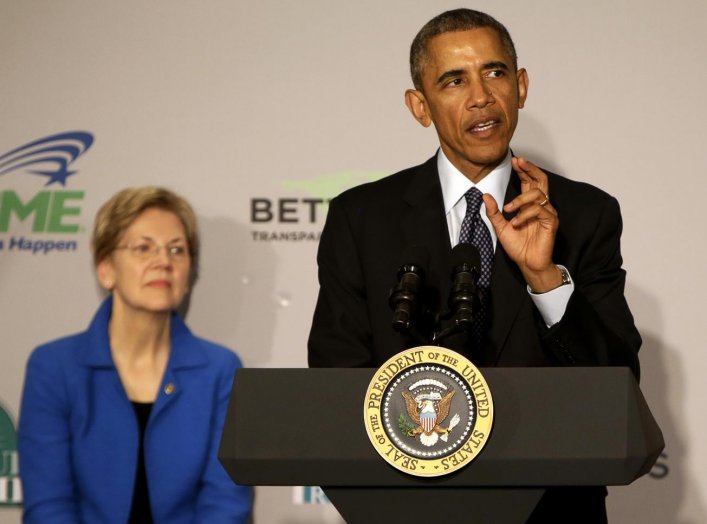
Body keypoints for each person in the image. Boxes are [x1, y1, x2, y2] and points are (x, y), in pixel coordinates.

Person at [308, 8, 641, 522]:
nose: (481, 96)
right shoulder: (361, 218)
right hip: (408, 507)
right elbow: (337, 381)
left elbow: (618, 383)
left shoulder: (584, 213)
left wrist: (544, 279)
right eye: (453, 81)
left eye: (495, 72)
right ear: (420, 106)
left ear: (521, 86)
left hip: (551, 509)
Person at [19, 187, 252, 523]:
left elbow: (225, 504)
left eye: (177, 250)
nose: (164, 262)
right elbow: (48, 505)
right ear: (105, 269)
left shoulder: (221, 370)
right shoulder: (54, 367)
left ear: (189, 274)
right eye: (143, 248)